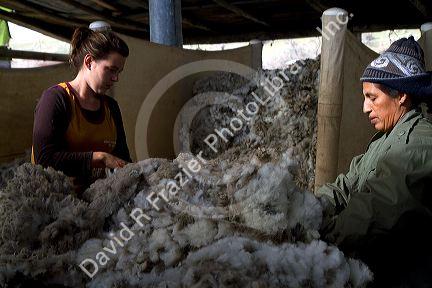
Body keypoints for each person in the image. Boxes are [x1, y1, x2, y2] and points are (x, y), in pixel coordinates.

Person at [316, 36, 432, 287]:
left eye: (373, 98)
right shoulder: (383, 140)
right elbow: (346, 186)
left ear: (401, 95)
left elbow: (379, 206)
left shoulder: (420, 142)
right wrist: (311, 208)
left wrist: (324, 237)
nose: (365, 108)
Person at [32, 24, 131, 193]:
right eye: (111, 70)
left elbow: (122, 159)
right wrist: (99, 157)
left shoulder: (111, 108)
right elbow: (44, 159)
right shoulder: (56, 99)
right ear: (89, 61)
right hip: (53, 201)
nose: (116, 78)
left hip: (95, 201)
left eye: (119, 72)